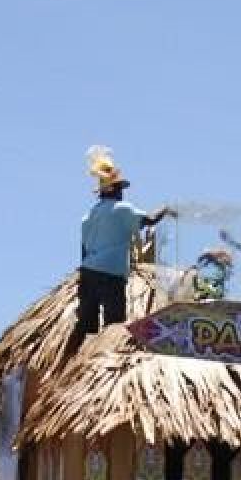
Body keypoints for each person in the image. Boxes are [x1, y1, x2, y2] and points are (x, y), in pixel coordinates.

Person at [78, 146, 172, 343]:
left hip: (88, 274)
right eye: (120, 188)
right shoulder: (122, 209)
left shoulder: (89, 216)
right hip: (110, 275)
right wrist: (166, 209)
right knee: (114, 325)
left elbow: (84, 251)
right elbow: (150, 220)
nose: (122, 193)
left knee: (87, 327)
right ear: (113, 189)